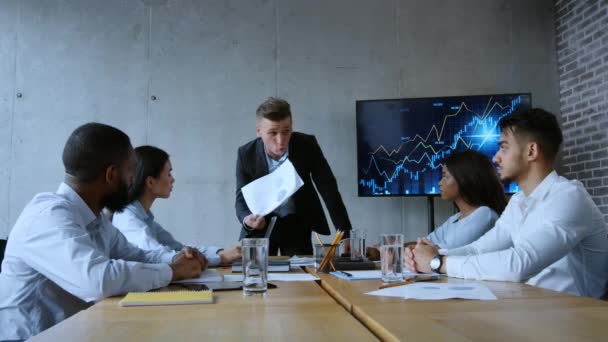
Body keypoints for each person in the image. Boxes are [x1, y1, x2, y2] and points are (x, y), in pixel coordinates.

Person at [0, 123, 205, 341]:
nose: (134, 180)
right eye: (130, 171)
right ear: (111, 175)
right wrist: (172, 271)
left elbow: (137, 255)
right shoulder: (48, 216)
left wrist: (178, 259)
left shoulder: (95, 218)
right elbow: (98, 281)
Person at [405, 108, 608, 298]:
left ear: (531, 151)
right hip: (530, 308)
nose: (495, 157)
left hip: (574, 318)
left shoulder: (569, 197)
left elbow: (519, 263)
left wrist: (437, 262)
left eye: (504, 147)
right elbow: (479, 249)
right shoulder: (520, 201)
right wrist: (427, 256)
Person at [235, 97, 352, 256]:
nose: (281, 140)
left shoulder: (307, 145)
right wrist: (246, 219)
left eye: (286, 131)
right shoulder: (245, 154)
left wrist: (345, 234)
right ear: (259, 132)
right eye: (273, 133)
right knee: (257, 275)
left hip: (297, 223)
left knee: (302, 276)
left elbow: (328, 189)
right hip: (260, 227)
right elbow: (241, 197)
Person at [367, 149, 507, 260]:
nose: (440, 182)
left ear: (465, 179)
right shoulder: (455, 218)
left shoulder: (484, 215)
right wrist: (382, 249)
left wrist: (386, 251)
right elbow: (425, 243)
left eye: (445, 176)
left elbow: (435, 252)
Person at [113, 145, 241, 265]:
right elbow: (162, 256)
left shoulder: (144, 217)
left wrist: (219, 252)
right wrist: (220, 258)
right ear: (150, 182)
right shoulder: (128, 220)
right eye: (168, 174)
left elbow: (178, 248)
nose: (172, 179)